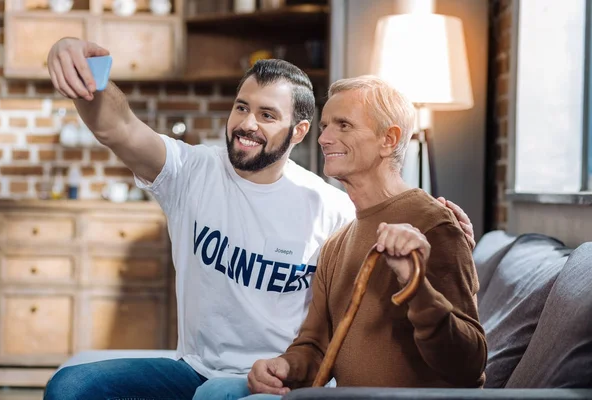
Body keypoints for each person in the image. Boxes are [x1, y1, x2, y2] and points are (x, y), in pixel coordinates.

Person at [42, 38, 476, 400]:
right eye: (241, 107)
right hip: (193, 368)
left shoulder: (334, 208)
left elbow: (384, 253)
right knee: (71, 386)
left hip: (275, 382)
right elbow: (118, 128)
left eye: (267, 115)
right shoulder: (192, 171)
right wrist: (81, 63)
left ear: (298, 131)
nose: (247, 124)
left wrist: (441, 236)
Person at [203, 75, 487, 400]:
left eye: (343, 125)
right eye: (325, 126)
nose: (323, 138)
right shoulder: (337, 243)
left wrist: (416, 286)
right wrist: (284, 366)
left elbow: (470, 363)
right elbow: (315, 347)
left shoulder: (433, 223)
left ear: (388, 139)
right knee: (217, 390)